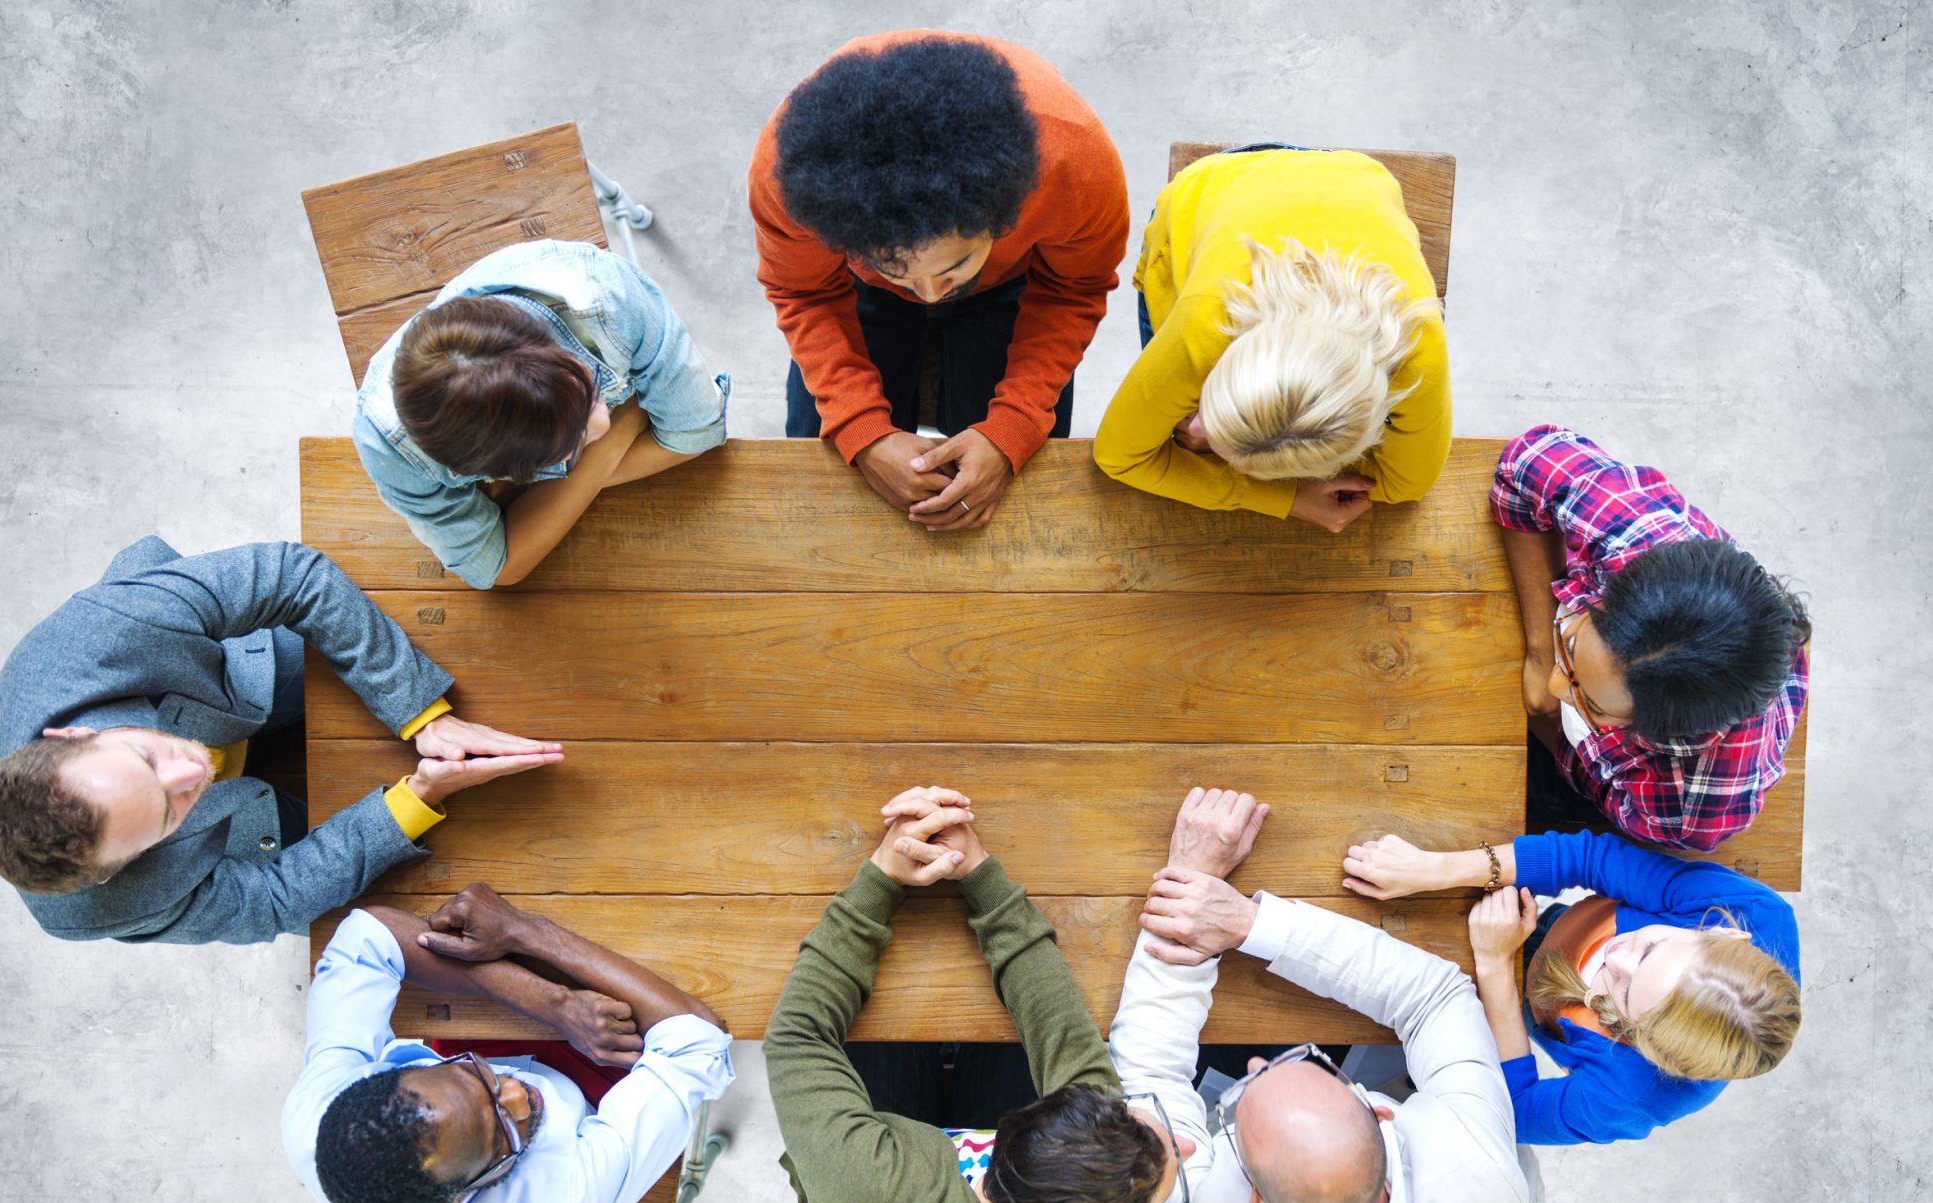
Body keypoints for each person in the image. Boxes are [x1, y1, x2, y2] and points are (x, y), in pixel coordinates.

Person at [763, 786, 1188, 1203]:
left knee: (874, 1040)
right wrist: (979, 873)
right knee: (996, 1038)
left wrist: (883, 875)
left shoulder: (873, 1195)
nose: (1186, 1146)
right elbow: (1064, 1041)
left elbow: (798, 1037)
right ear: (1010, 1127)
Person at [1111, 788, 1535, 1203]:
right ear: (1383, 1113)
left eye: (1241, 1101)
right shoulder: (1478, 1163)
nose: (1259, 1064)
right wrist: (1248, 922)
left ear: (1252, 1197)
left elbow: (1148, 1076)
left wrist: (1189, 878)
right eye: (1299, 1067)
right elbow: (1436, 998)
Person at [0, 537, 558, 944]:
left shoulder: (99, 633)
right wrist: (418, 797)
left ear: (73, 736)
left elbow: (290, 576)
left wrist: (421, 715)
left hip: (230, 685)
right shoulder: (101, 906)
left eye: (145, 759)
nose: (189, 772)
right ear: (115, 871)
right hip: (244, 827)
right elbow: (273, 900)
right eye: (165, 813)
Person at [751, 31, 1128, 532]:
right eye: (901, 271)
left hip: (1011, 284)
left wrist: (1010, 430)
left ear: (1004, 215)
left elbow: (1072, 287)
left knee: (1017, 501)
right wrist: (861, 431)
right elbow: (804, 289)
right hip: (857, 290)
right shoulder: (788, 172)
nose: (930, 294)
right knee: (825, 496)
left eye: (953, 268)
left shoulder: (1074, 161)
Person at [282, 883, 733, 1203]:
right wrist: (529, 932)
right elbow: (698, 1040)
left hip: (502, 1043)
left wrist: (553, 1004)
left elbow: (372, 934)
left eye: (473, 1075)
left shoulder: (322, 1115)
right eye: (501, 1130)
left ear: (395, 1070)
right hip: (595, 1100)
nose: (516, 1092)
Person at [1342, 830, 1801, 1145]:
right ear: (1725, 935)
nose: (1617, 956)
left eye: (1622, 993)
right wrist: (1435, 870)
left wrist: (1497, 963)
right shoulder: (1755, 912)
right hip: (1548, 925)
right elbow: (1592, 858)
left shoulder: (1632, 1098)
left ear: (1642, 1045)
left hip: (1512, 1001)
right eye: (1650, 946)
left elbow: (1511, 1110)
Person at [1093, 147, 1448, 533]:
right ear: (1222, 355)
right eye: (1205, 411)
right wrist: (1287, 496)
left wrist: (1228, 466)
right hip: (1215, 178)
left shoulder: (1419, 345)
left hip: (1355, 175)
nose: (1194, 429)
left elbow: (1408, 487)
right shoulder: (1206, 322)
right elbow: (1117, 457)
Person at [1495, 423, 1810, 851]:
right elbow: (1528, 457)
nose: (1553, 685)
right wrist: (1538, 651)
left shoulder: (1693, 807)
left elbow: (1620, 804)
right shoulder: (1636, 531)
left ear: (1652, 732)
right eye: (1573, 644)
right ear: (1610, 591)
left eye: (1592, 703)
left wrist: (1552, 726)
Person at [353, 238, 729, 588]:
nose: (602, 422)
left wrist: (538, 497)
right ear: (493, 470)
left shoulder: (610, 298)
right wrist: (628, 421)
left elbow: (696, 434)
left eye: (588, 384)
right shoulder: (388, 446)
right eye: (570, 448)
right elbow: (497, 568)